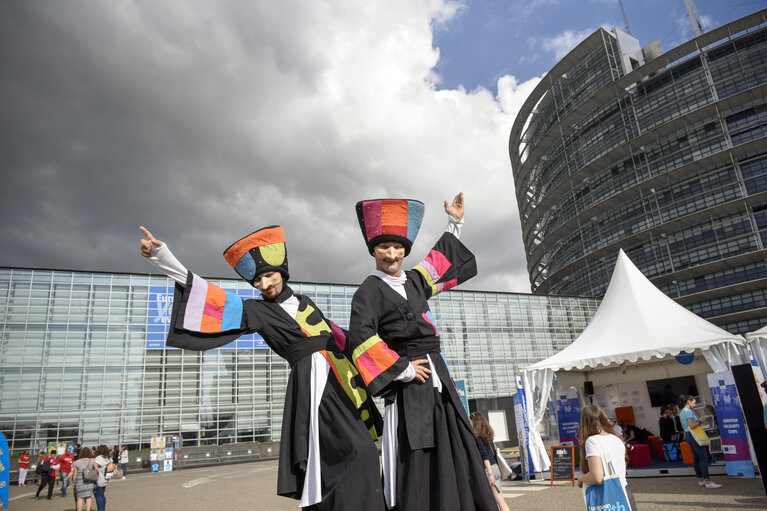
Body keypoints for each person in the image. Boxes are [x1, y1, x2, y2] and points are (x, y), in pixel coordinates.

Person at [139, 225, 385, 510]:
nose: (264, 284)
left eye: (269, 275)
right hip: (314, 386)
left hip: (342, 381)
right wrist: (162, 256)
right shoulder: (258, 311)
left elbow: (347, 339)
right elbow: (211, 298)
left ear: (282, 271)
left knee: (363, 451)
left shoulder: (306, 303)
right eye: (257, 280)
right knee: (349, 453)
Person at [346, 194, 496, 511]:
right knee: (416, 455)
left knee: (456, 444)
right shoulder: (367, 291)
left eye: (398, 247)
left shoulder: (415, 279)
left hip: (439, 377)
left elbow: (440, 261)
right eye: (384, 247)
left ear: (405, 250)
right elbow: (361, 339)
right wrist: (404, 369)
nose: (391, 254)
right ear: (373, 250)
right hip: (409, 387)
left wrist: (454, 221)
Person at [576, 405, 637, 510]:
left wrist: (581, 478)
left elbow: (597, 477)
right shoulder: (617, 439)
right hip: (625, 493)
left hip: (608, 498)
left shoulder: (592, 441)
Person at [470, 412, 511, 511]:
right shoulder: (488, 436)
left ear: (476, 423)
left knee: (499, 501)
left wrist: (490, 474)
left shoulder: (479, 438)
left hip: (490, 470)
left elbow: (485, 457)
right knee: (500, 500)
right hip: (495, 467)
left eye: (471, 422)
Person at [680, 395, 721, 488]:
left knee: (696, 458)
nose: (694, 405)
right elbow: (692, 426)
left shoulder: (682, 411)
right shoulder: (689, 411)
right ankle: (708, 481)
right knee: (703, 457)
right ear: (689, 401)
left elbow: (687, 426)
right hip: (694, 435)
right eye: (694, 402)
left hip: (688, 435)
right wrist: (700, 421)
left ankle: (700, 479)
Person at [71, 446, 95, 511]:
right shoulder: (92, 461)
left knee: (79, 498)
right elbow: (97, 470)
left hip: (79, 483)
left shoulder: (77, 462)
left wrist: (73, 483)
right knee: (88, 498)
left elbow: (74, 475)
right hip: (89, 482)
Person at [93, 445, 113, 511]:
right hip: (106, 478)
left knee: (98, 496)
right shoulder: (108, 457)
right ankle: (103, 509)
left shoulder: (99, 458)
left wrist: (99, 469)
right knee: (102, 495)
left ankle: (100, 509)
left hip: (99, 479)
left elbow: (95, 468)